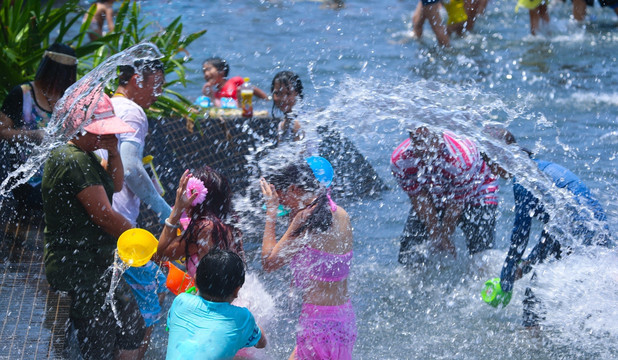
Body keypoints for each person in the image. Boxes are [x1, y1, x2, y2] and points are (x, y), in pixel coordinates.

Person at [42, 93, 145, 359]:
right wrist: (146, 243)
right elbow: (104, 216)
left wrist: (113, 151)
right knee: (97, 343)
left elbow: (117, 184)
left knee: (132, 327)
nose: (104, 137)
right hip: (79, 268)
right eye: (99, 133)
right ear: (78, 128)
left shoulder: (85, 155)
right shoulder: (72, 159)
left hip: (99, 262)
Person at [482, 127, 611, 327]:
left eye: (490, 163)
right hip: (597, 229)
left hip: (580, 230)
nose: (491, 170)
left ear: (501, 157)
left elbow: (519, 237)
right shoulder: (538, 169)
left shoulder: (523, 181)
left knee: (535, 291)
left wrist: (505, 280)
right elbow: (553, 231)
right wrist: (526, 264)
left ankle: (532, 343)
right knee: (581, 287)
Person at [102, 59, 171, 358]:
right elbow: (130, 168)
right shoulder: (133, 111)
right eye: (155, 84)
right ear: (135, 80)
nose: (158, 93)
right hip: (119, 227)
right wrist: (163, 209)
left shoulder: (105, 103)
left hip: (100, 216)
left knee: (155, 283)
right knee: (150, 301)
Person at [260, 157, 356, 360]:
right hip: (343, 320)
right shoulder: (340, 213)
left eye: (281, 198)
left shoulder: (304, 220)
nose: (281, 205)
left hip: (317, 324)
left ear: (294, 189)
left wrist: (270, 212)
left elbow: (268, 263)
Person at [391, 123, 499, 264]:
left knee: (481, 254)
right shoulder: (400, 160)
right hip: (434, 190)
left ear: (440, 137)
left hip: (478, 189)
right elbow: (419, 198)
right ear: (411, 138)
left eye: (428, 141)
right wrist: (435, 235)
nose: (424, 148)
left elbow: (456, 204)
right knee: (409, 253)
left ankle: (486, 277)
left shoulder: (460, 159)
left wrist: (445, 237)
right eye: (418, 142)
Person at [0, 43, 77, 209]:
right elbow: (1, 132)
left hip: (60, 175)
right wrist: (33, 135)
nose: (61, 79)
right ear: (48, 70)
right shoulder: (23, 93)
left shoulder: (70, 99)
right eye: (58, 73)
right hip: (27, 180)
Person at [165, 248, 267, 359]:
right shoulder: (242, 318)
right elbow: (261, 343)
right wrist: (251, 325)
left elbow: (173, 330)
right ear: (237, 290)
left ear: (195, 280)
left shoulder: (180, 301)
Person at [157, 166, 243, 278]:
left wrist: (177, 209)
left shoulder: (204, 228)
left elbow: (162, 254)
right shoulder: (230, 223)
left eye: (186, 193)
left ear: (196, 198)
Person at [201, 57, 268, 108]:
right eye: (204, 72)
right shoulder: (216, 94)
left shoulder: (235, 81)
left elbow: (253, 89)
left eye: (208, 69)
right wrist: (211, 96)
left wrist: (266, 100)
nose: (206, 74)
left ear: (221, 70)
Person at [271, 71, 304, 142]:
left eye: (288, 94)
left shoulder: (298, 124)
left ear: (297, 95)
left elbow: (299, 153)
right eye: (278, 93)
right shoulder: (282, 125)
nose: (283, 99)